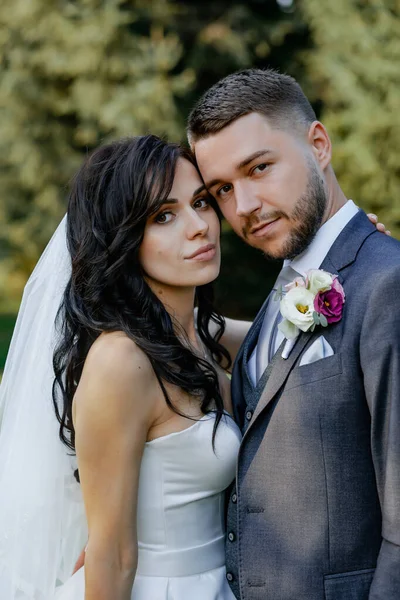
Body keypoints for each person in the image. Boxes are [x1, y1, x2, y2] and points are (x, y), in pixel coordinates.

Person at [0, 135, 251, 600]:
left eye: (200, 202)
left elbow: (284, 337)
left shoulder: (198, 335)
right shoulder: (122, 360)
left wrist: (341, 276)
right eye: (164, 216)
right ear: (123, 238)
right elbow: (113, 554)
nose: (199, 226)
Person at [187, 68, 400, 600]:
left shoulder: (387, 283)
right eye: (222, 190)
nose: (243, 207)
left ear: (319, 145)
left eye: (259, 168)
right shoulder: (282, 291)